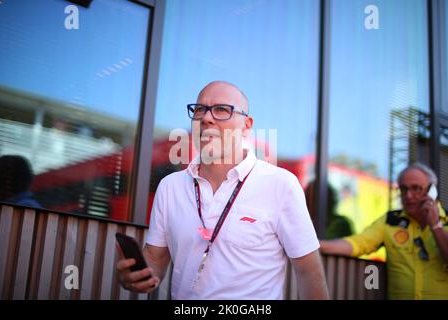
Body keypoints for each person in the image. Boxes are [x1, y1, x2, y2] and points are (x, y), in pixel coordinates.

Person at [117, 81, 329, 299]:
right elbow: (154, 259)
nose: (206, 118)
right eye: (199, 109)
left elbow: (309, 272)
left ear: (247, 125)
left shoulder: (281, 184)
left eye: (221, 110)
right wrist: (136, 277)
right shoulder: (170, 187)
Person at [320, 163, 448, 299]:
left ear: (431, 191)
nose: (409, 196)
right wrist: (316, 246)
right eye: (404, 189)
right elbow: (359, 243)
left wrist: (435, 225)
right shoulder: (390, 221)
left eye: (416, 188)